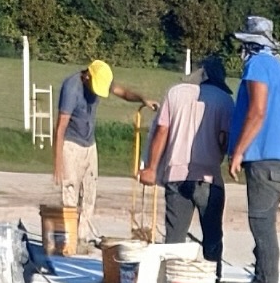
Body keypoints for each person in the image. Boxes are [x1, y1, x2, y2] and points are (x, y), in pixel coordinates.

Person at [224, 16, 280, 283]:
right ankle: (261, 280)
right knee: (264, 221)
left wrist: (239, 151)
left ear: (251, 44)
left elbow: (257, 111)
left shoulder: (258, 66)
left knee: (262, 222)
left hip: (264, 157)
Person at [139, 56, 236, 271]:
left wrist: (152, 168)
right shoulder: (225, 101)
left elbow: (162, 131)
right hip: (209, 177)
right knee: (212, 234)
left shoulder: (175, 93)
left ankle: (170, 279)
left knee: (174, 237)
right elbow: (224, 139)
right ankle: (212, 280)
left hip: (176, 174)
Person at [53, 59, 152, 249]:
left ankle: (83, 237)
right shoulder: (71, 88)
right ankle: (69, 239)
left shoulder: (101, 79)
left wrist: (142, 98)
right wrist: (58, 161)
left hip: (90, 143)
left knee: (90, 192)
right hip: (70, 144)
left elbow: (123, 92)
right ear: (87, 76)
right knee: (70, 193)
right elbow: (61, 126)